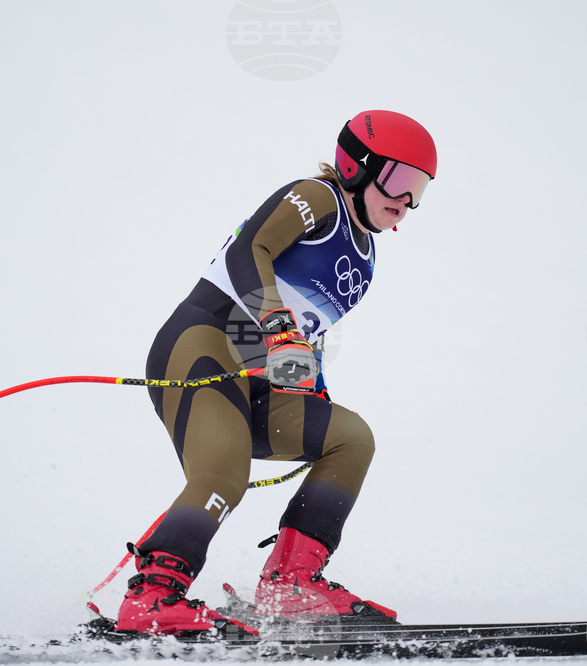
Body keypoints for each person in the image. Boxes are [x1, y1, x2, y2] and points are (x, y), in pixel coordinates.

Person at [113, 110, 438, 637]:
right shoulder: (317, 198)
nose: (405, 198)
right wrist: (277, 324)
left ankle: (291, 585)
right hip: (202, 345)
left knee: (351, 439)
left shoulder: (366, 257)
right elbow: (250, 250)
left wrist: (310, 379)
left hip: (258, 379)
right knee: (224, 471)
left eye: (418, 188)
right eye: (398, 178)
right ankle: (152, 596)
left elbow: (309, 331)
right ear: (355, 165)